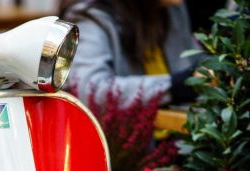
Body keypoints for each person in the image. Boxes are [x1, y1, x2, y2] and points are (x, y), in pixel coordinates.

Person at [59, 0, 200, 107]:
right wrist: (175, 86)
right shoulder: (91, 16)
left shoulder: (172, 9)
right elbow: (91, 90)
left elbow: (195, 61)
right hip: (118, 142)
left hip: (179, 138)